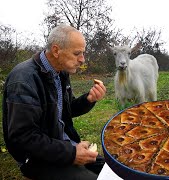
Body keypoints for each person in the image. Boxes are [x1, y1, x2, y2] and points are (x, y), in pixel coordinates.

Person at [2, 24, 107, 180]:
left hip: (62, 146)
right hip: (35, 158)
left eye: (83, 53)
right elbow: (23, 137)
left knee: (111, 170)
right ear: (57, 50)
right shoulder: (24, 80)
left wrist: (89, 99)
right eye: (77, 53)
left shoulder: (60, 72)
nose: (82, 59)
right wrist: (71, 153)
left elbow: (66, 108)